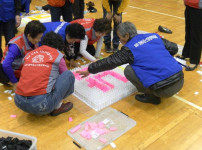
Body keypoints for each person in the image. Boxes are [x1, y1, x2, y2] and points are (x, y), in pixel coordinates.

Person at [77, 22, 184, 104]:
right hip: (180, 80)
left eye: (120, 37)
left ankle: (151, 96)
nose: (120, 40)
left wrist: (89, 69)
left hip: (163, 90)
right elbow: (174, 49)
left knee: (129, 70)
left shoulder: (129, 49)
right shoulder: (153, 36)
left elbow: (109, 62)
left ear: (127, 35)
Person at [14, 32, 75, 116]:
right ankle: (57, 107)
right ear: (58, 47)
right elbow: (65, 78)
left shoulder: (29, 54)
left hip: (19, 101)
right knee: (69, 75)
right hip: (41, 105)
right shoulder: (57, 55)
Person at [0, 20, 46, 89]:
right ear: (29, 35)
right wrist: (14, 82)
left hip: (24, 70)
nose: (39, 40)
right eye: (38, 38)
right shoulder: (16, 46)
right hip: (12, 73)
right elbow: (6, 65)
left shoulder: (33, 40)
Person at [177, 0, 202, 71]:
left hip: (198, 10)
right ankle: (186, 54)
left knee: (196, 35)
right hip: (189, 6)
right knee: (188, 32)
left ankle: (194, 61)